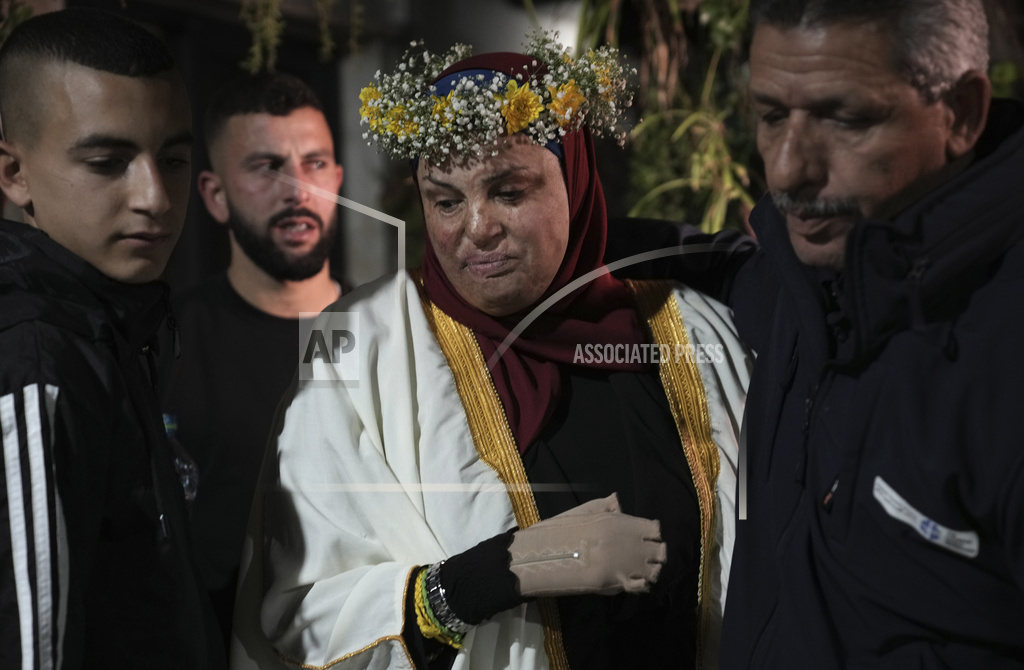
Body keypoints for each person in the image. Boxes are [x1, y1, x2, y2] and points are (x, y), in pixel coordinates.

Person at [230, 36, 751, 670]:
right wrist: (494, 576)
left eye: (508, 191)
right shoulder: (364, 351)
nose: (476, 227)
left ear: (577, 183)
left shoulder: (690, 330)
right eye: (446, 200)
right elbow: (305, 612)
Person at [632, 0, 1024, 666]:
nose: (786, 171)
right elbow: (730, 269)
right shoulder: (806, 276)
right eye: (771, 115)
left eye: (844, 119)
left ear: (960, 114)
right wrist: (561, 239)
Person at [0, 7, 223, 668]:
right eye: (107, 162)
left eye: (174, 158)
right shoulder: (34, 353)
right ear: (13, 174)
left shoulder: (110, 323)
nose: (154, 195)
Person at [159, 72, 345, 647]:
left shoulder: (397, 331)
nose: (298, 190)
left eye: (315, 164)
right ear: (215, 195)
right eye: (267, 167)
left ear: (338, 178)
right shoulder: (166, 340)